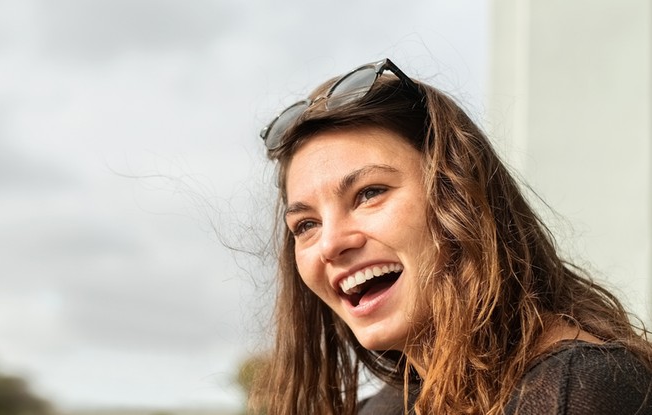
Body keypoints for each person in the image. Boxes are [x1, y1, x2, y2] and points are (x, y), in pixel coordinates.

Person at [250, 58, 652, 415]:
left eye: (370, 193)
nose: (331, 244)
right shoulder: (382, 407)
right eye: (306, 225)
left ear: (460, 196)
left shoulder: (578, 388)